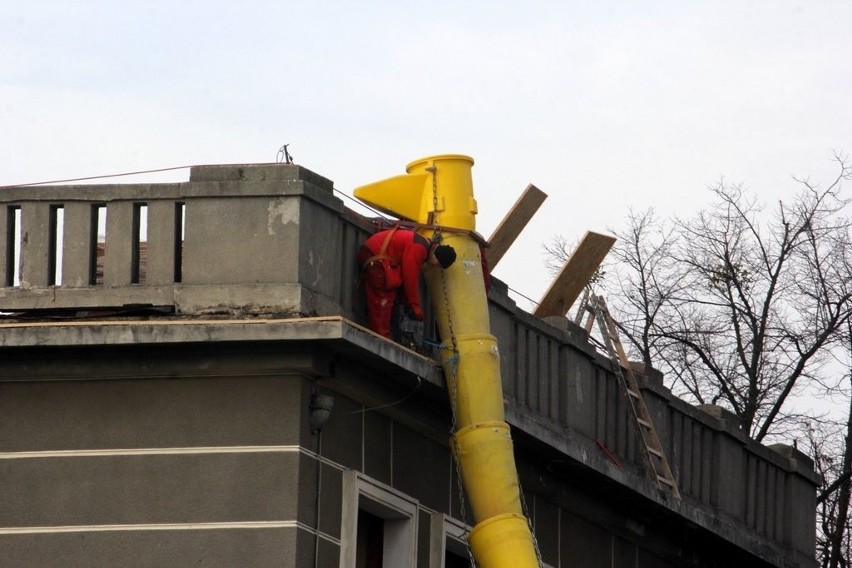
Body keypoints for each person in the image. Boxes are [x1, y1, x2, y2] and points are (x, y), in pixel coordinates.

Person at [358, 227, 456, 339]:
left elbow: (405, 279)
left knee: (394, 289)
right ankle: (381, 337)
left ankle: (385, 335)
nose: (434, 266)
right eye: (437, 264)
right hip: (374, 256)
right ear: (437, 256)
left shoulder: (422, 243)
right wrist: (415, 306)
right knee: (385, 297)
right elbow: (410, 276)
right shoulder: (419, 247)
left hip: (375, 255)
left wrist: (407, 301)